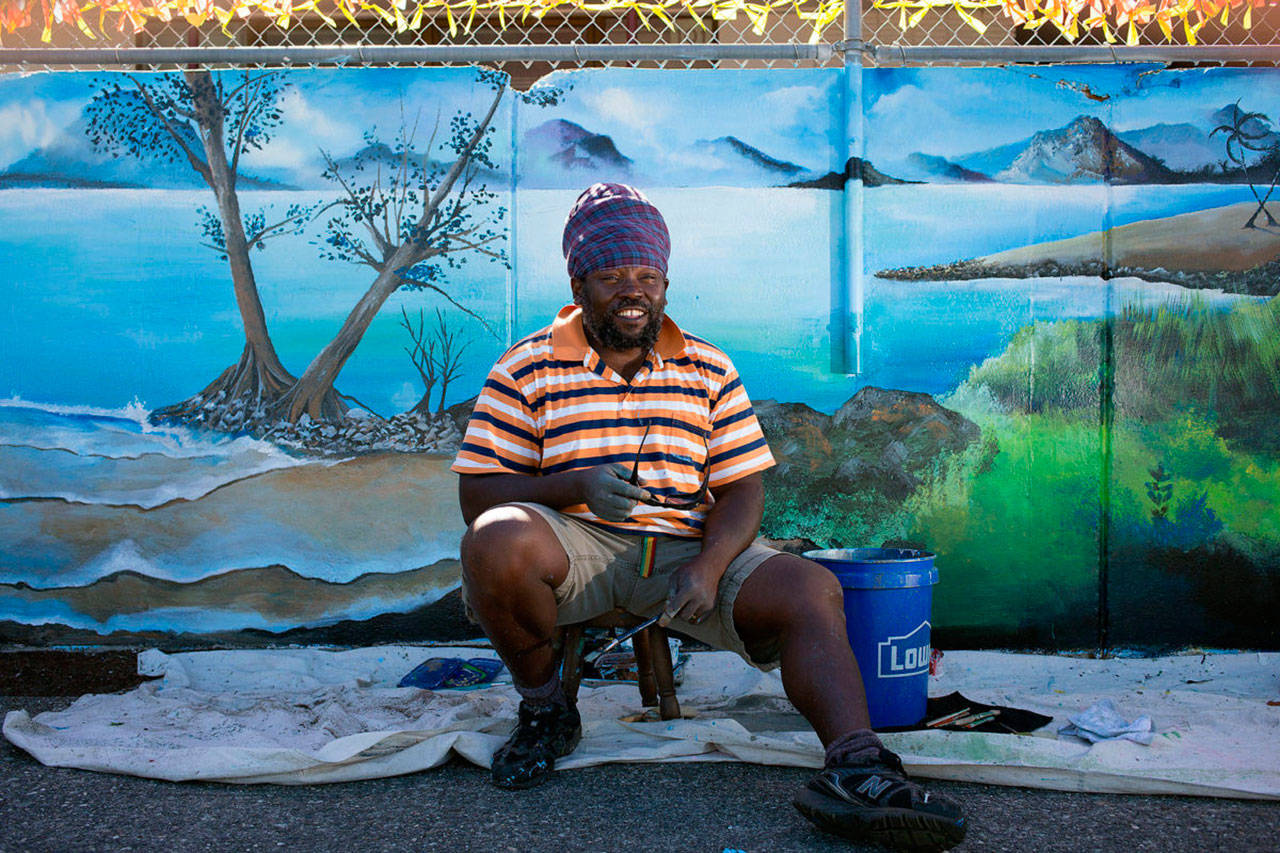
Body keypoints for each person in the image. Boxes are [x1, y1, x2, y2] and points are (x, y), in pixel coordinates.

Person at [452, 183, 966, 852]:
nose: (631, 290)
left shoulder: (707, 366)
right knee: (494, 542)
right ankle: (547, 709)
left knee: (811, 587)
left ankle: (857, 765)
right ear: (579, 280)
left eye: (647, 274)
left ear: (665, 280)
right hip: (572, 548)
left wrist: (711, 563)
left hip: (688, 549)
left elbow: (743, 488)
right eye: (611, 275)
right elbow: (476, 496)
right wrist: (571, 482)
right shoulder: (526, 366)